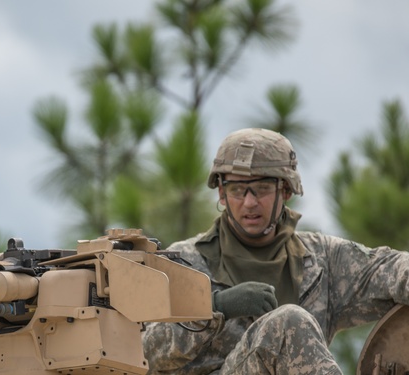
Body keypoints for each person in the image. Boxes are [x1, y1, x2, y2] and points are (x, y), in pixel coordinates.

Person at [142, 128, 409, 374]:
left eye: (262, 189)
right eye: (237, 190)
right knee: (287, 321)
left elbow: (392, 269)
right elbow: (145, 354)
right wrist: (215, 307)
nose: (249, 202)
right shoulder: (183, 262)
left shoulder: (321, 260)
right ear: (221, 195)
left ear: (285, 191)